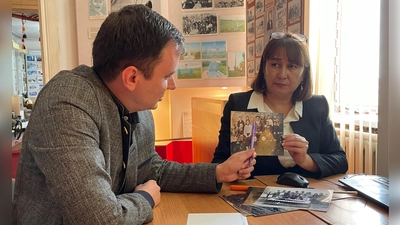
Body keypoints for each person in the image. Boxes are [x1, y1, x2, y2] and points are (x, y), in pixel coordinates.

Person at [12, 5, 256, 225]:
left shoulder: (137, 107)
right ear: (132, 77)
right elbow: (99, 219)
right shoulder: (66, 104)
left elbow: (152, 170)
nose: (172, 85)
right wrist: (144, 198)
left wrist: (217, 172)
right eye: (166, 76)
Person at [212, 31, 348, 178]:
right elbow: (219, 162)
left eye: (292, 66)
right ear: (264, 68)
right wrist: (234, 170)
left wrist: (305, 160)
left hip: (307, 195)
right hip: (252, 193)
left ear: (304, 73)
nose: (282, 74)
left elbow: (340, 161)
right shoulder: (239, 104)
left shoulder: (316, 106)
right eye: (275, 64)